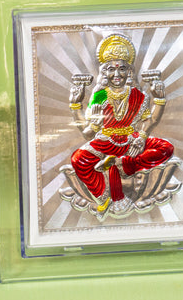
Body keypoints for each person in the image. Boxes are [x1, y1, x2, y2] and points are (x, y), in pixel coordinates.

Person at [69, 34, 173, 215]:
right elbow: (87, 134)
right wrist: (78, 107)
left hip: (131, 140)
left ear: (129, 72)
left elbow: (150, 121)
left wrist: (159, 100)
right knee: (78, 159)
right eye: (111, 69)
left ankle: (122, 164)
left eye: (122, 69)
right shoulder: (99, 96)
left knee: (166, 148)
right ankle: (104, 196)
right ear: (104, 72)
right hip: (105, 140)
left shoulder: (138, 95)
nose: (117, 75)